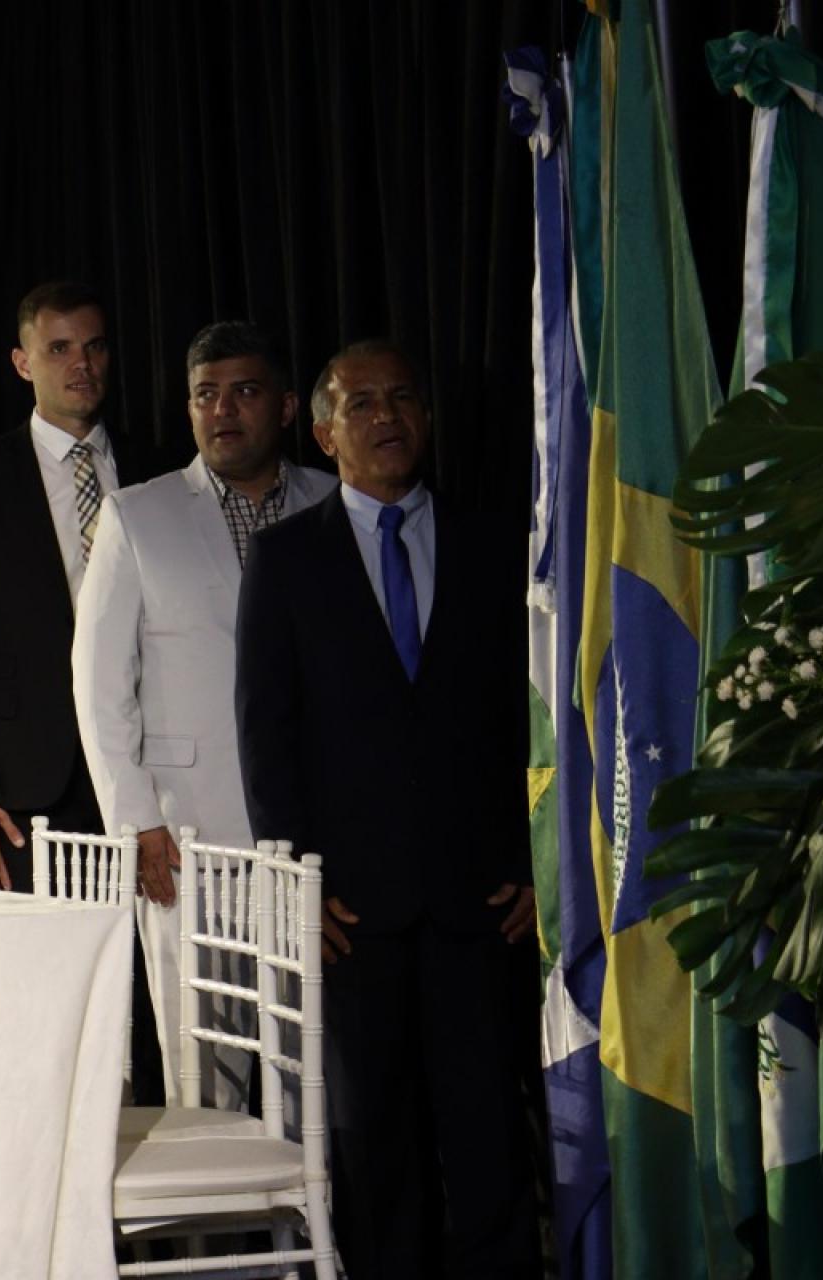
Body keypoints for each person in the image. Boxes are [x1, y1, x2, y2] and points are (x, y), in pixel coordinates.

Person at [234, 340, 538, 1278]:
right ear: (325, 433)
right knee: (376, 1155)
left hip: (483, 905)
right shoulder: (286, 560)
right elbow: (266, 734)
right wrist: (298, 880)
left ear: (427, 417)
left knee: (492, 1143)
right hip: (352, 914)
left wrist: (535, 863)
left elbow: (530, 718)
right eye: (360, 403)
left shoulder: (498, 544)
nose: (385, 416)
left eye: (402, 397)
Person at [73, 321, 336, 1108]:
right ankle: (211, 1202)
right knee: (203, 1082)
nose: (222, 410)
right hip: (185, 843)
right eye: (204, 395)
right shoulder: (137, 514)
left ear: (285, 406)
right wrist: (136, 822)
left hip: (316, 839)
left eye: (244, 391)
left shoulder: (333, 502)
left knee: (311, 1081)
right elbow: (98, 684)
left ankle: (311, 1194)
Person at [0, 281, 144, 890]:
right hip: (28, 779)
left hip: (146, 767)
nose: (82, 364)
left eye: (94, 346)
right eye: (60, 349)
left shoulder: (154, 467)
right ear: (23, 363)